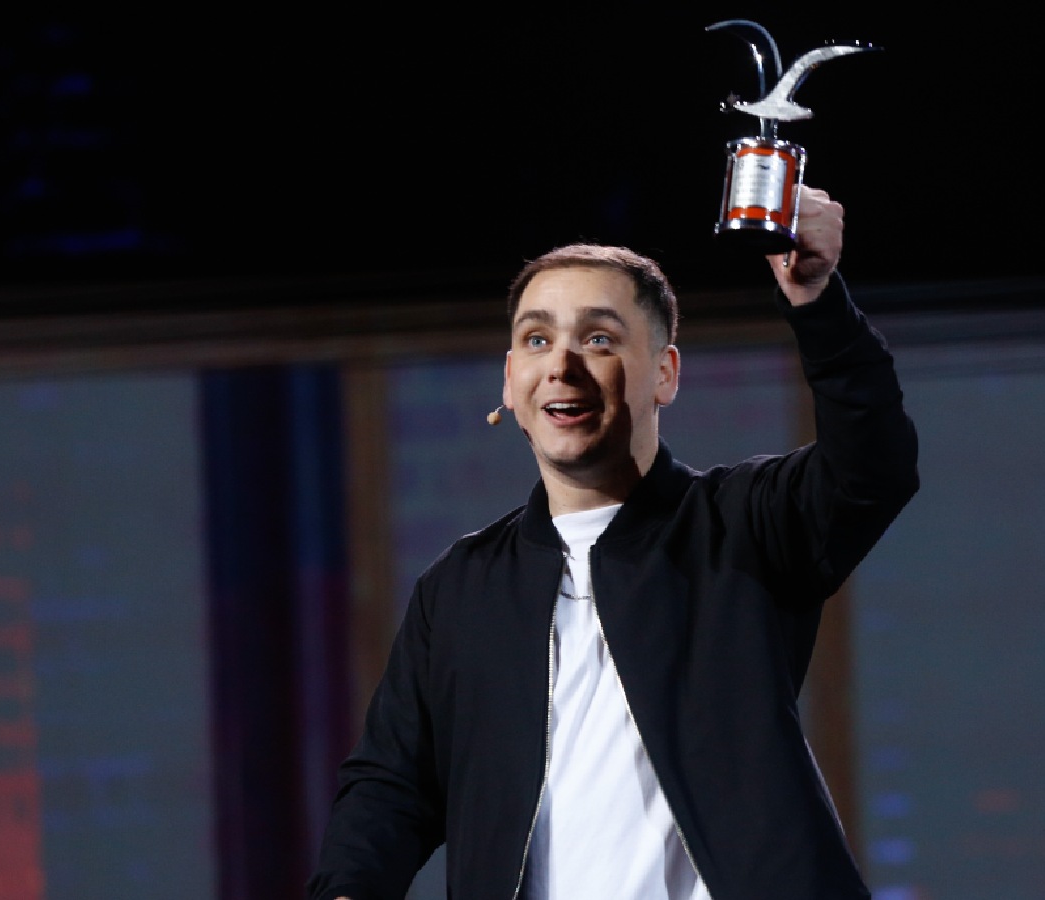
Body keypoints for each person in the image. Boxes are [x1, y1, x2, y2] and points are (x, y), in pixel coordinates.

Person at [308, 186, 920, 900]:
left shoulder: (743, 525)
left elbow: (872, 467)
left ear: (664, 373)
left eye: (598, 338)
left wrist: (817, 299)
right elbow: (392, 784)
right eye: (538, 339)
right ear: (511, 380)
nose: (562, 365)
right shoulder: (462, 587)